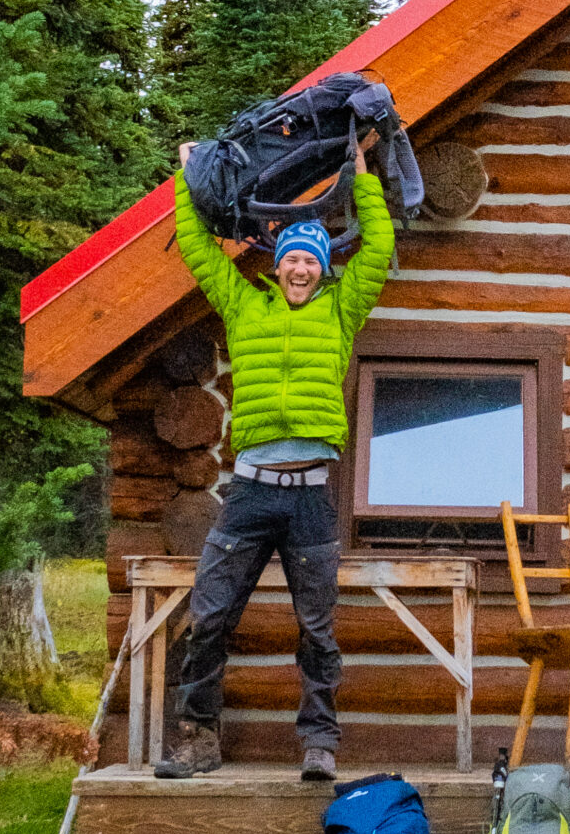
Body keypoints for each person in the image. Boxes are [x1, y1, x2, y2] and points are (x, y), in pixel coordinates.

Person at [157, 130, 395, 783]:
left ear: (322, 268)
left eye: (311, 260)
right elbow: (203, 256)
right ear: (278, 263)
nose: (299, 269)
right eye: (291, 258)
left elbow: (378, 249)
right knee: (209, 616)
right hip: (252, 491)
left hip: (311, 496)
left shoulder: (341, 313)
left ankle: (319, 744)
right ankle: (197, 739)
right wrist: (189, 177)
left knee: (317, 631)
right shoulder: (244, 307)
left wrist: (361, 173)